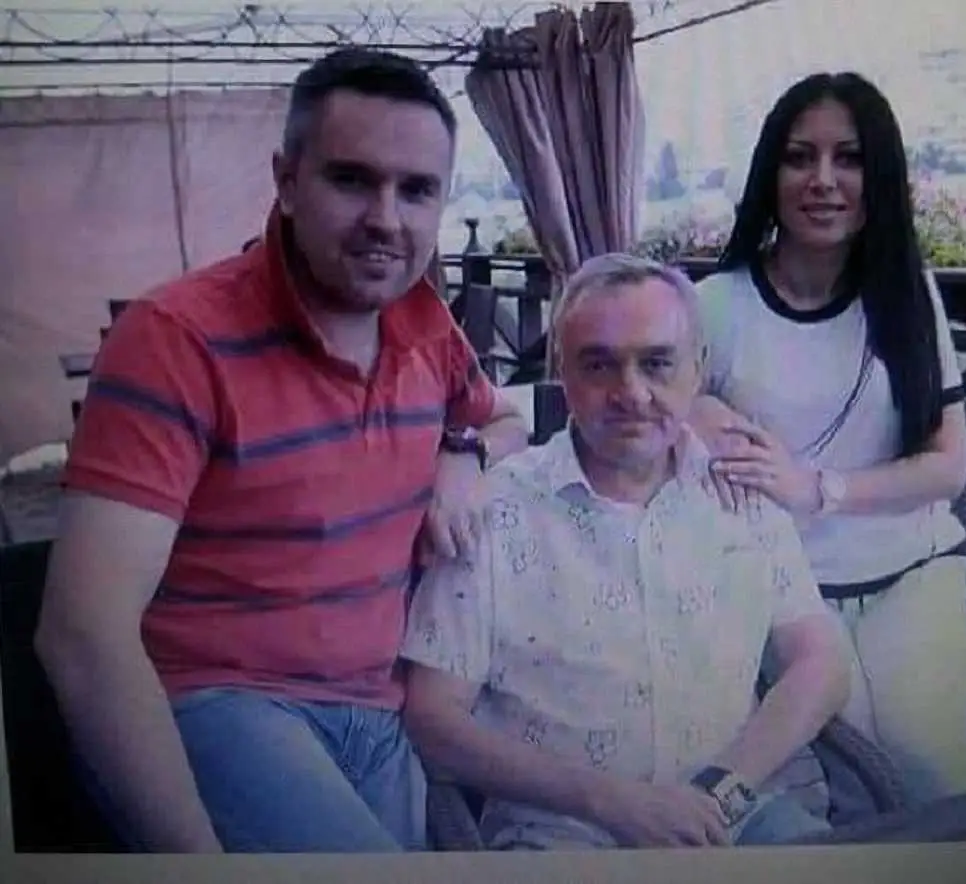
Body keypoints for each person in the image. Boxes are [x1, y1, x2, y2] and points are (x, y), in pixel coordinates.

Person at [34, 48, 529, 854]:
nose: (386, 218)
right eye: (352, 179)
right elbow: (82, 636)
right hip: (219, 702)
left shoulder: (426, 324)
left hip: (381, 708)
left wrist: (462, 453)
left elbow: (505, 421)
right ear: (287, 181)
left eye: (417, 190)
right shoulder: (176, 339)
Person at [401, 253, 852, 850]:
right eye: (599, 365)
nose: (632, 393)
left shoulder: (744, 493)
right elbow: (432, 718)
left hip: (741, 815)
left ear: (697, 369)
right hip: (562, 830)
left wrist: (718, 793)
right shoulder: (494, 512)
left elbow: (821, 662)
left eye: (657, 363)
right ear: (562, 370)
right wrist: (611, 802)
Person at [688, 71, 966, 804]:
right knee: (851, 776)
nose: (823, 180)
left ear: (877, 175)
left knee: (931, 762)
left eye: (848, 158)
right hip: (783, 588)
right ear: (771, 174)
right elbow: (640, 396)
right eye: (800, 157)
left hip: (915, 568)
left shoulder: (908, 295)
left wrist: (816, 488)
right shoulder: (715, 306)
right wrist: (694, 413)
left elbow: (949, 466)